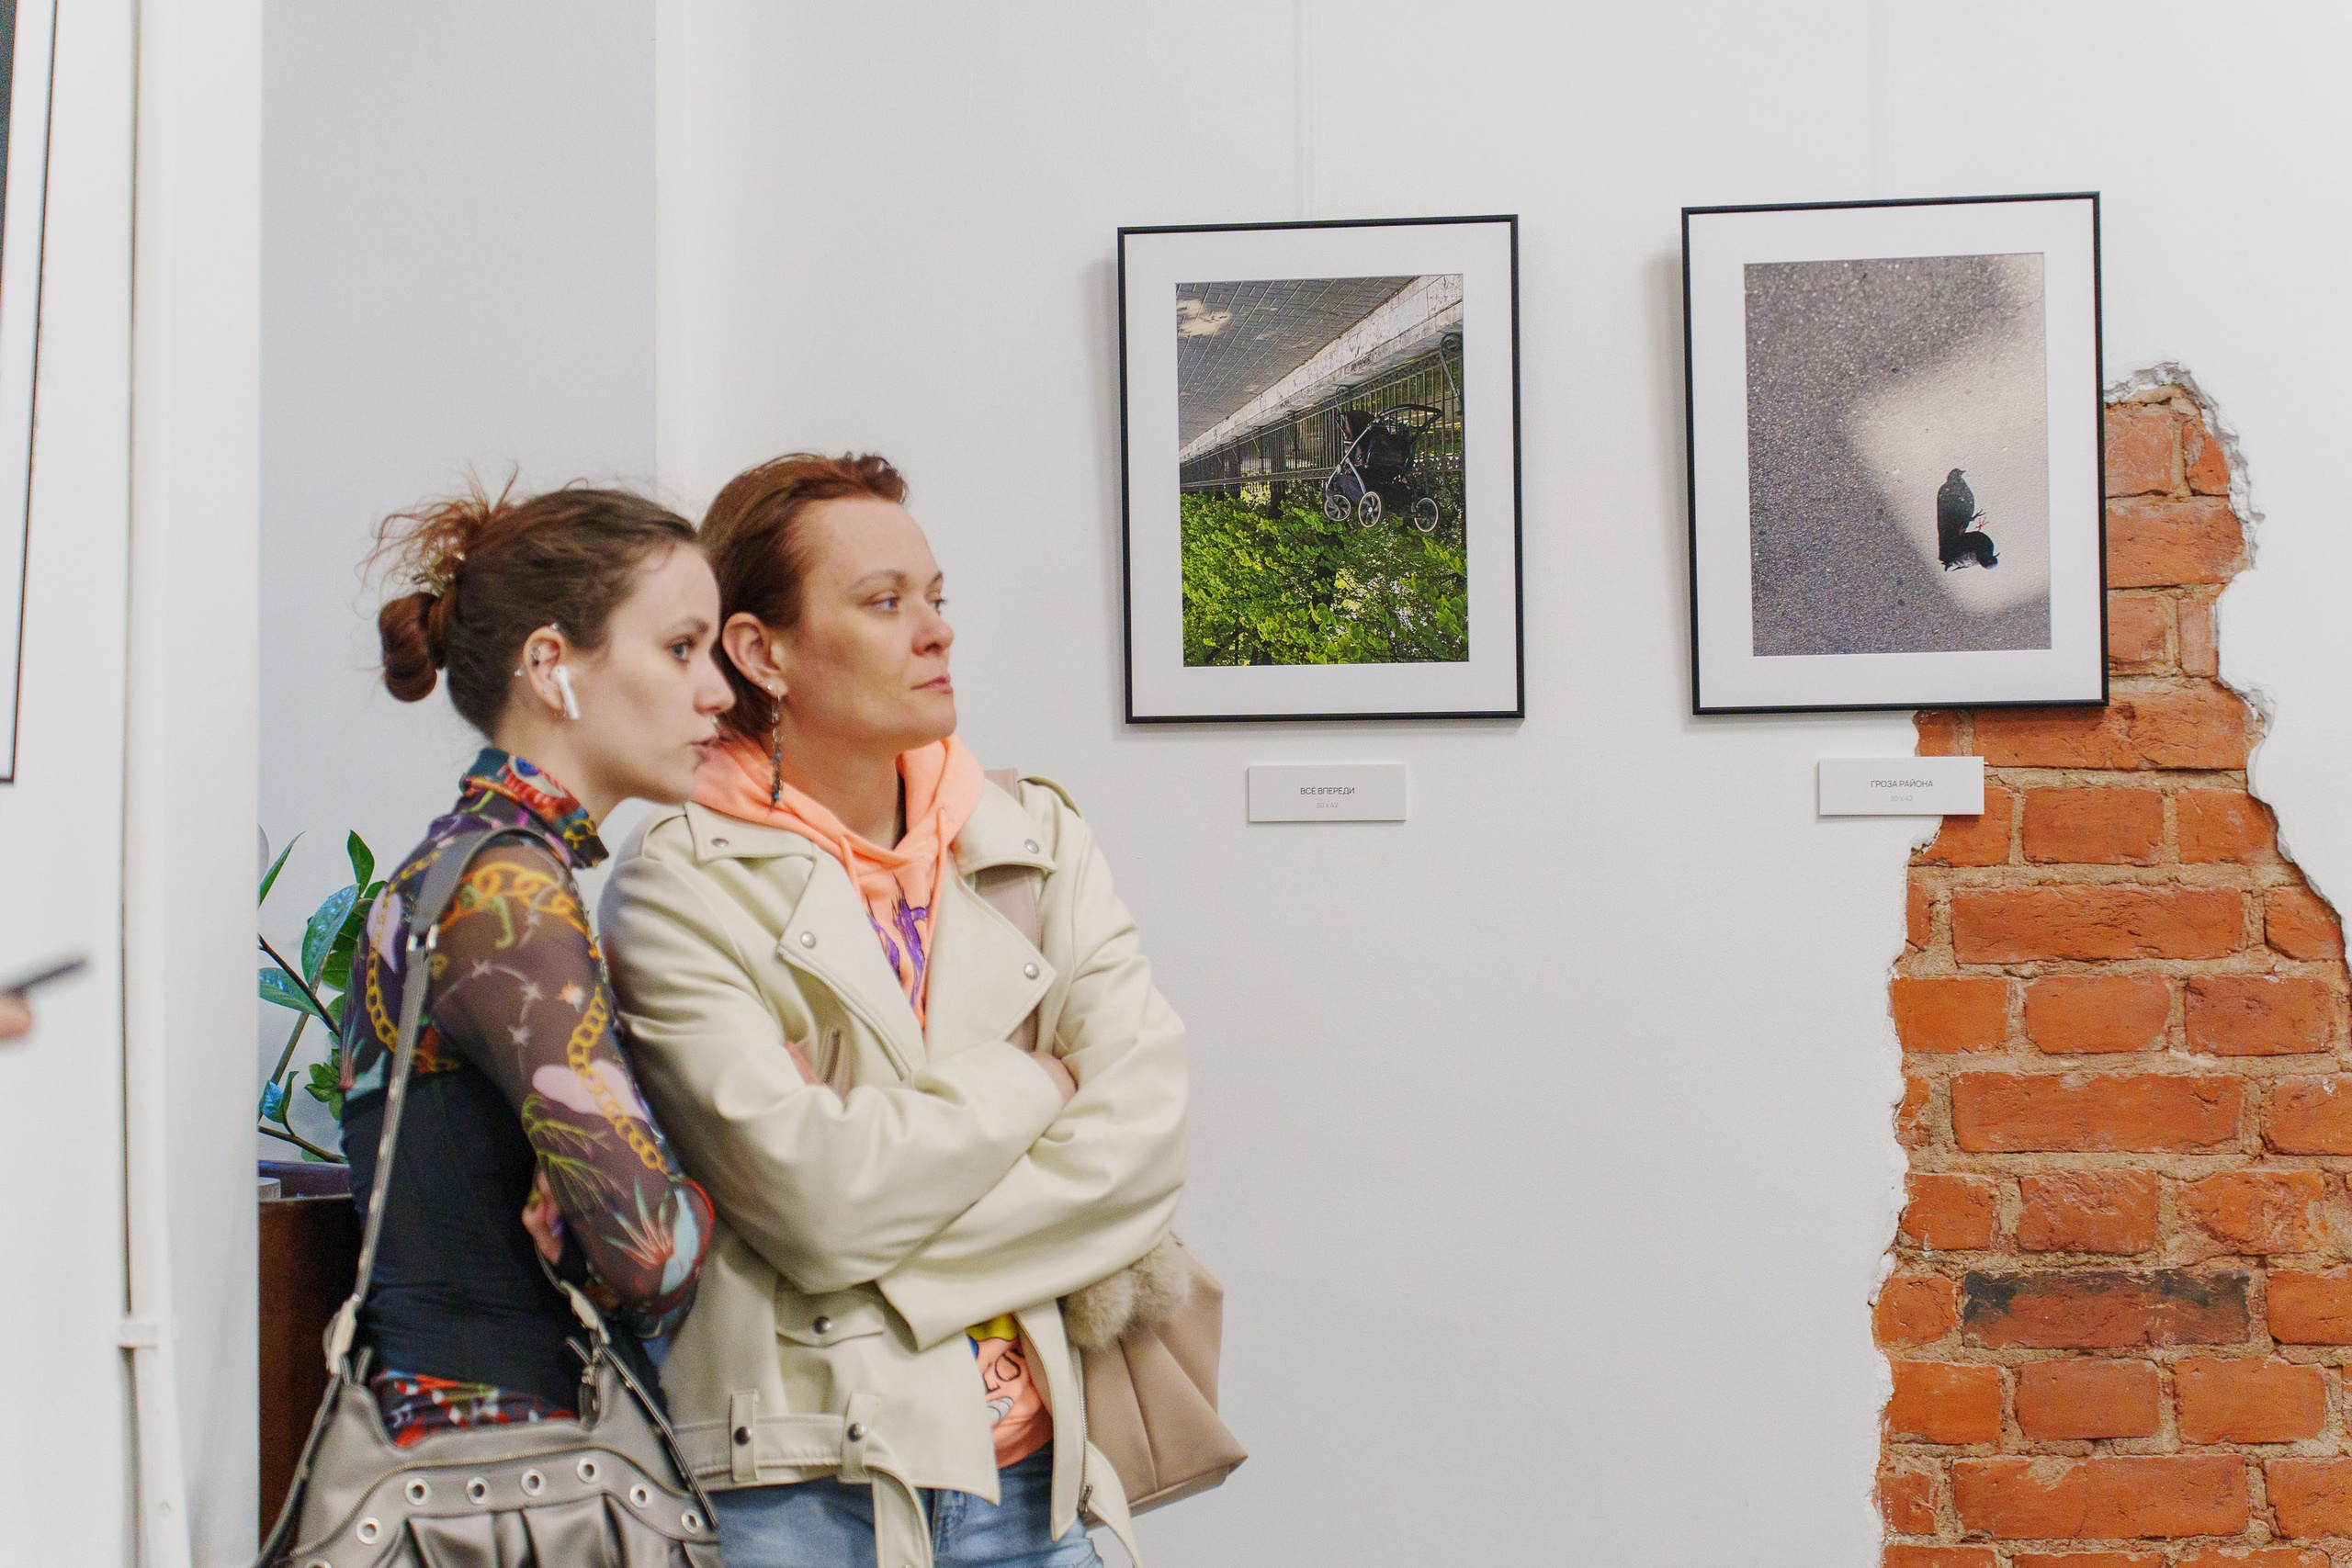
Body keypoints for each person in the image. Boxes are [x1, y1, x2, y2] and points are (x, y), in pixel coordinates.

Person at [599, 453, 1188, 1568]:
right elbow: (816, 1201)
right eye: (884, 604)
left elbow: (1143, 1138)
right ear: (761, 653)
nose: (935, 632)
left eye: (936, 597)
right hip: (804, 1490)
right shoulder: (682, 877)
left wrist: (864, 1223)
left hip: (1040, 1477)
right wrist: (1037, 1083)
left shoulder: (1032, 837)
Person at [335, 479, 729, 1447]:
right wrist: (725, 1135)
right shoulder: (507, 896)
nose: (716, 689)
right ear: (550, 663)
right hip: (505, 1471)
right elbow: (652, 1255)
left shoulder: (471, 867)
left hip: (470, 1442)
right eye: (681, 648)